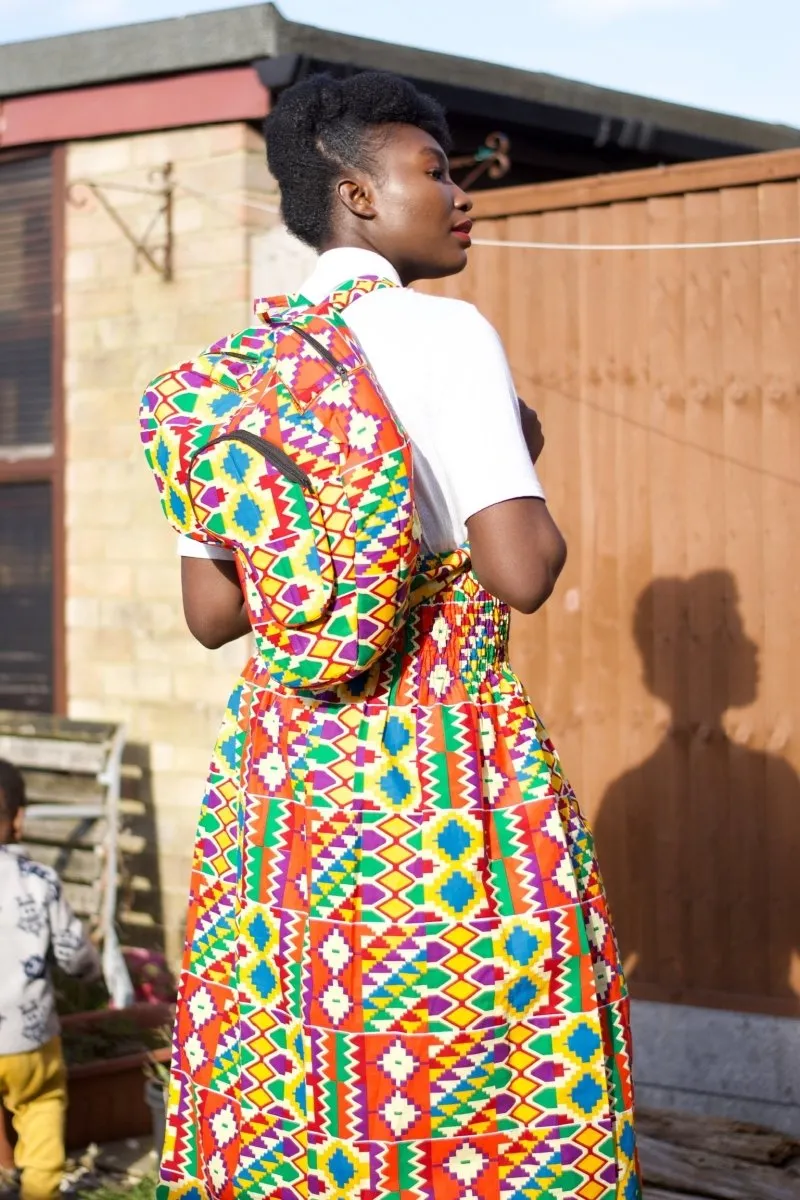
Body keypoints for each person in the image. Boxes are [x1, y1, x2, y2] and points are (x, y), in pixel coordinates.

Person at [163, 72, 640, 1200]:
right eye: (432, 170)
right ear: (355, 196)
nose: (462, 193)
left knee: (295, 1078)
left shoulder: (231, 373)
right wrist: (518, 451)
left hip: (283, 799)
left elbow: (211, 615)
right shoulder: (442, 334)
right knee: (476, 1075)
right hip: (437, 781)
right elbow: (520, 572)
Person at [0, 759, 100, 1200]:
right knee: (41, 1109)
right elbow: (73, 954)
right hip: (29, 1038)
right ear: (17, 818)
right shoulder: (38, 881)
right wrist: (89, 971)